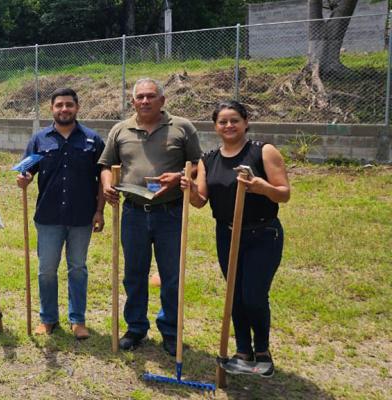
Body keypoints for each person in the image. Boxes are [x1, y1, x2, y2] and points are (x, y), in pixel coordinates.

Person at [181, 100, 290, 377]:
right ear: (215, 126)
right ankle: (243, 352)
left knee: (253, 296)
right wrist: (191, 189)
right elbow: (200, 201)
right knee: (234, 297)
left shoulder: (263, 151)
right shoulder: (209, 159)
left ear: (245, 122)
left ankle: (262, 354)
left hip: (262, 233)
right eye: (223, 122)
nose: (228, 126)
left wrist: (262, 187)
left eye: (234, 121)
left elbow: (283, 193)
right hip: (227, 233)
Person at [99, 78, 202, 356]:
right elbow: (106, 165)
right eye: (140, 97)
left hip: (169, 213)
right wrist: (107, 184)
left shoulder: (182, 127)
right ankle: (135, 328)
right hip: (133, 213)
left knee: (171, 275)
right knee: (134, 274)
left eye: (150, 96)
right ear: (133, 101)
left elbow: (199, 166)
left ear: (162, 100)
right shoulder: (121, 129)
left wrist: (180, 176)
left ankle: (170, 331)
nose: (145, 101)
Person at [16, 88, 105, 340]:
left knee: (77, 268)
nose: (64, 109)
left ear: (77, 107)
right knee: (46, 270)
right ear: (52, 109)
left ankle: (78, 320)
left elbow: (103, 177)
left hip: (81, 217)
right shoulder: (39, 139)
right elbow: (27, 171)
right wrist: (23, 180)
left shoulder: (92, 140)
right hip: (48, 217)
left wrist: (99, 210)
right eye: (59, 105)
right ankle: (48, 319)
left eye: (69, 105)